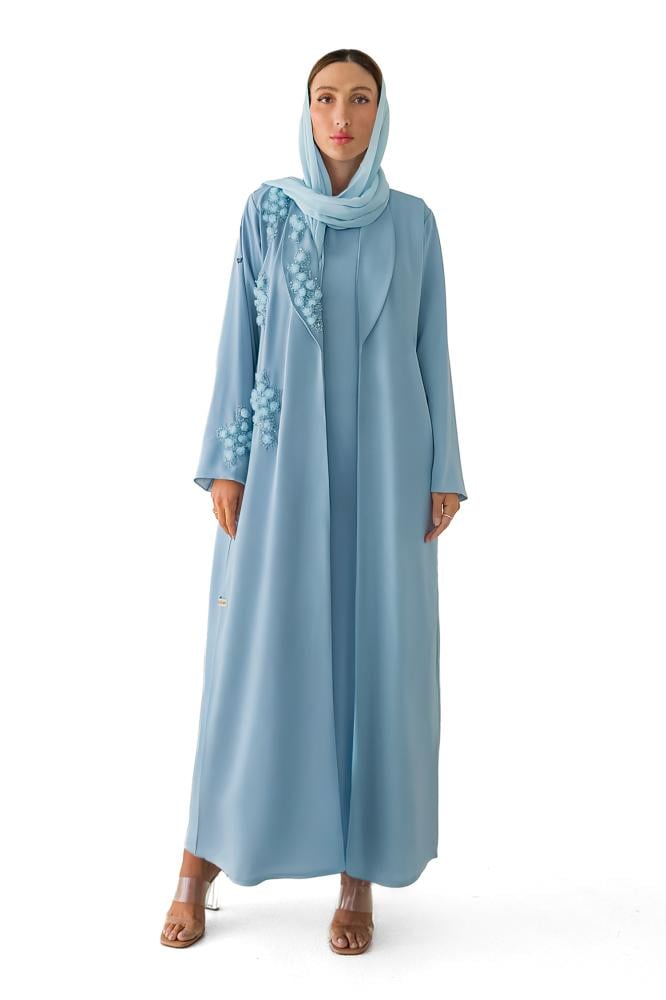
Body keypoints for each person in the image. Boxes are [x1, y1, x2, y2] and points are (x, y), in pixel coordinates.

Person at [161, 48, 468, 954]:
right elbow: (239, 338)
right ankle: (199, 859)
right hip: (280, 461)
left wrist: (443, 468)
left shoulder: (413, 224)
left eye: (360, 99)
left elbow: (433, 347)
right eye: (327, 98)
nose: (342, 115)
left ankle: (357, 875)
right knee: (252, 657)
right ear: (307, 110)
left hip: (386, 468)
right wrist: (228, 462)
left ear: (381, 113)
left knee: (376, 659)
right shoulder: (268, 212)